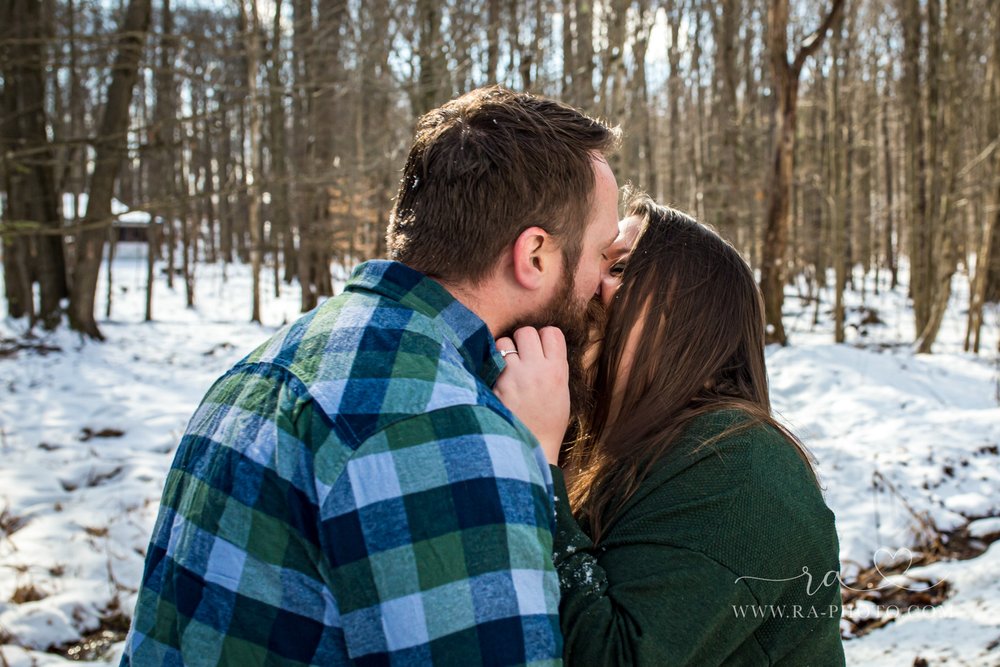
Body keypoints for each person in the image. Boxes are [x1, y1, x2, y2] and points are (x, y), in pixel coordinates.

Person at [121, 86, 621, 665]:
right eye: (602, 256)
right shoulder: (447, 432)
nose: (604, 286)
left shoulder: (268, 363)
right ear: (535, 255)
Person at [496, 192, 846, 665]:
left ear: (693, 317)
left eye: (618, 268)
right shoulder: (611, 451)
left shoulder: (740, 463)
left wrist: (532, 457)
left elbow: (613, 657)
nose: (587, 282)